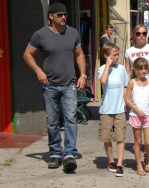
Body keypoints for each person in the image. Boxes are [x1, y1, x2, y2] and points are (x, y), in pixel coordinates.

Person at [22, 2, 86, 173]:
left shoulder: (72, 33)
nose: (64, 17)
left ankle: (69, 154)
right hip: (49, 85)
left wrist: (83, 75)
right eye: (59, 15)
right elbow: (27, 54)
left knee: (71, 120)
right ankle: (55, 153)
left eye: (65, 14)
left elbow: (79, 55)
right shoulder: (40, 35)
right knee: (52, 122)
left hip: (69, 85)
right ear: (50, 16)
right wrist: (38, 71)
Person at [124, 24, 149, 160]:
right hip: (134, 87)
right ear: (134, 35)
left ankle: (148, 147)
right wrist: (126, 88)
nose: (141, 36)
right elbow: (127, 71)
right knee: (136, 114)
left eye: (144, 33)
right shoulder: (129, 51)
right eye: (138, 33)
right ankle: (138, 142)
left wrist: (148, 67)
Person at [124, 57, 149, 176]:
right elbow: (127, 99)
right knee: (138, 141)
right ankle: (139, 164)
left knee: (148, 142)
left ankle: (147, 158)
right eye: (141, 68)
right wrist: (136, 110)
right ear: (135, 69)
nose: (143, 71)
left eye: (145, 68)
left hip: (147, 115)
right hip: (135, 115)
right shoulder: (132, 82)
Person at [98, 43, 128, 177]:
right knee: (107, 137)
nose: (117, 57)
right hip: (106, 109)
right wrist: (108, 66)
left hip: (120, 109)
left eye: (118, 54)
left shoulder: (121, 69)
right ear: (106, 56)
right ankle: (111, 161)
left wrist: (126, 102)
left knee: (120, 138)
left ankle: (120, 164)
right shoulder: (102, 69)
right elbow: (103, 82)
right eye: (114, 55)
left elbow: (126, 86)